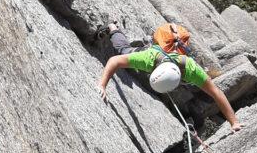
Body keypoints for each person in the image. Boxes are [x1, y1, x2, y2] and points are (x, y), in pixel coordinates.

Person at [97, 23, 242, 132]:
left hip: (172, 53)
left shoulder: (190, 68)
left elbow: (216, 92)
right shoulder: (148, 59)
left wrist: (234, 122)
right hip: (157, 50)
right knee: (124, 50)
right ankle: (113, 28)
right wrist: (102, 85)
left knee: (202, 85)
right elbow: (114, 61)